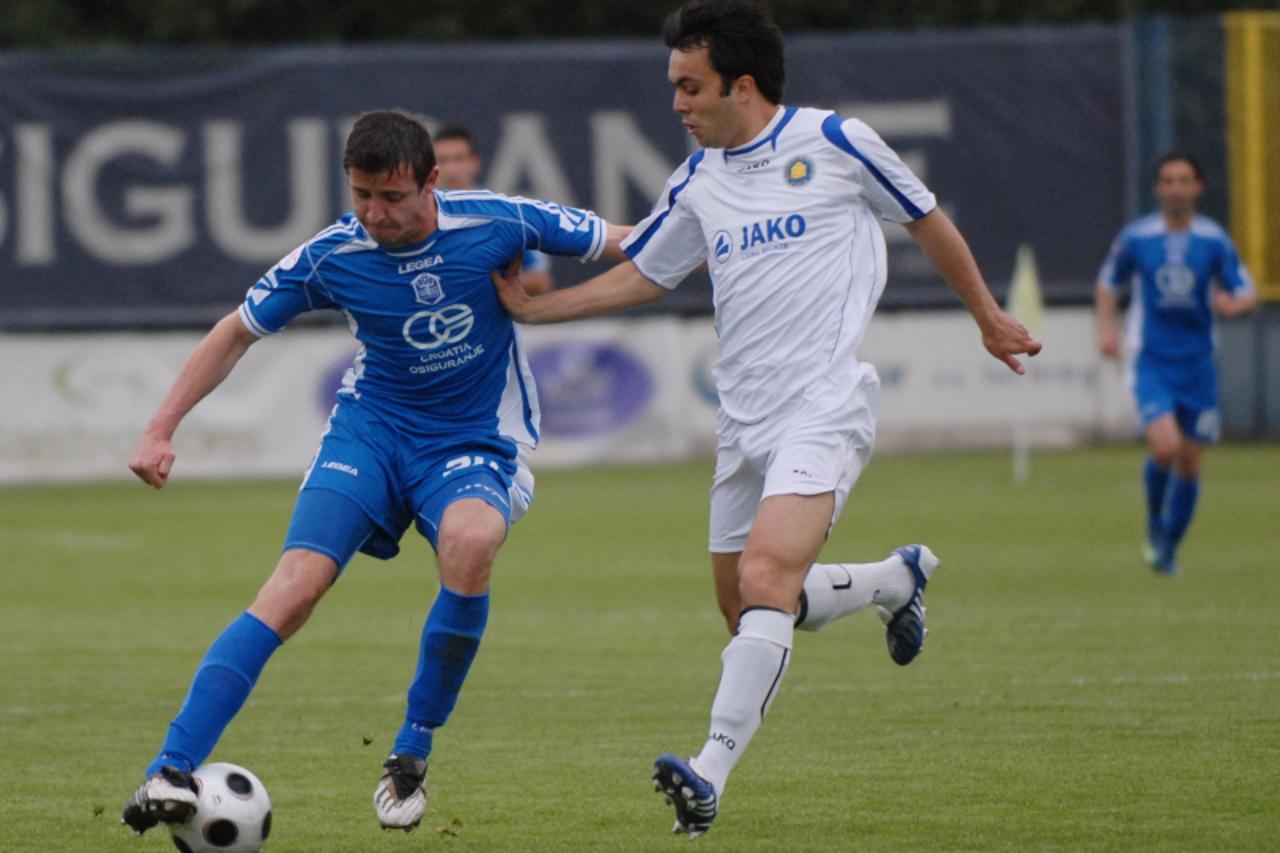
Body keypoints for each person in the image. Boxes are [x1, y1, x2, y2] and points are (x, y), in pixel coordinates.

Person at [491, 0, 1041, 838]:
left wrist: (988, 316)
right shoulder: (698, 180)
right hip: (741, 421)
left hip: (824, 401)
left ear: (741, 86)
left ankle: (707, 772)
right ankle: (893, 581)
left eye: (689, 86)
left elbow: (927, 219)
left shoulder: (835, 141)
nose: (676, 104)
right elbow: (645, 273)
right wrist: (537, 310)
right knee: (749, 603)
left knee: (763, 584)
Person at [121, 109, 627, 836]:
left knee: (473, 539)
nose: (374, 213)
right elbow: (236, 330)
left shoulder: (500, 223)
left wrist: (721, 238)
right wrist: (161, 426)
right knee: (292, 588)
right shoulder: (333, 254)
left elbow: (625, 240)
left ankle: (411, 751)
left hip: (471, 440)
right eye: (361, 194)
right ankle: (169, 771)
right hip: (372, 433)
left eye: (391, 197)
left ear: (432, 182)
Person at [1096, 151, 1256, 575]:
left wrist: (1232, 304)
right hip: (1152, 358)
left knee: (1190, 460)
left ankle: (1169, 547)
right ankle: (1154, 520)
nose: (1176, 188)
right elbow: (1108, 283)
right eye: (1168, 180)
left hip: (1198, 362)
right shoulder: (1137, 238)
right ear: (1158, 189)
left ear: (1198, 187)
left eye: (1184, 180)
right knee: (1165, 446)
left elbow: (1245, 290)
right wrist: (1107, 330)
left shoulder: (1214, 241)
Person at [434, 123, 556, 295]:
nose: (451, 169)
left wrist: (479, 281)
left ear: (474, 163)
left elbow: (540, 282)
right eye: (443, 160)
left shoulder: (502, 213)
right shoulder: (419, 216)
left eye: (459, 159)